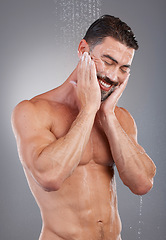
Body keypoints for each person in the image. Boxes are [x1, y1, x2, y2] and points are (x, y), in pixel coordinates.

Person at [11, 15, 156, 240]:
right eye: (108, 61)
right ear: (83, 49)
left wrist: (107, 115)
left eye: (123, 68)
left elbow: (143, 183)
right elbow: (50, 177)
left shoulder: (119, 117)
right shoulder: (33, 111)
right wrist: (88, 110)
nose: (112, 76)